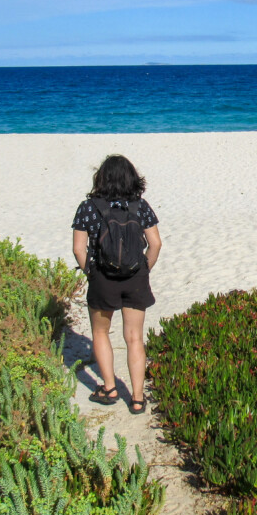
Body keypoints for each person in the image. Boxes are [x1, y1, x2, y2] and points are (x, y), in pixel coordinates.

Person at [71, 155, 162, 414]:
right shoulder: (140, 205)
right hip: (135, 278)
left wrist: (92, 273)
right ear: (132, 177)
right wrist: (144, 269)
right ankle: (137, 398)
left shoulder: (88, 207)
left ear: (101, 178)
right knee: (134, 338)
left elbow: (79, 249)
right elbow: (155, 244)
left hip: (102, 278)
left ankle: (109, 389)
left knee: (100, 333)